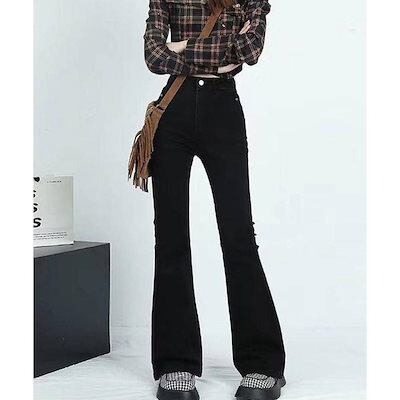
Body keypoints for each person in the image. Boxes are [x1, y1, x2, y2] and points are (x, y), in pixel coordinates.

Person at [143, 1, 286, 399]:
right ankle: (175, 363)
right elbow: (153, 55)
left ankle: (262, 363)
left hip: (223, 112)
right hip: (172, 113)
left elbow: (249, 52)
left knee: (238, 235)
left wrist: (179, 47)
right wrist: (219, 50)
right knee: (170, 236)